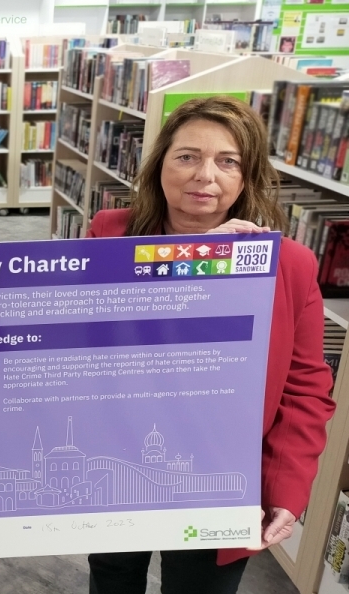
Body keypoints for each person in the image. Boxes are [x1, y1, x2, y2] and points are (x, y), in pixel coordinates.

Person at [85, 96, 335, 593]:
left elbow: (305, 387)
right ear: (160, 166)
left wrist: (287, 489)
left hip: (222, 477)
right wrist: (198, 263)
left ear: (247, 177)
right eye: (187, 156)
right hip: (121, 455)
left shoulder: (290, 264)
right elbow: (92, 343)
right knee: (113, 576)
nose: (206, 174)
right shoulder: (108, 233)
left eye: (228, 161)